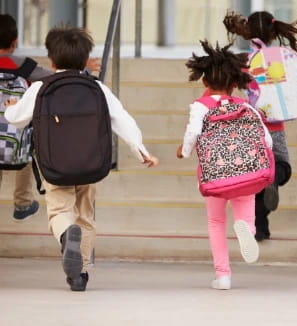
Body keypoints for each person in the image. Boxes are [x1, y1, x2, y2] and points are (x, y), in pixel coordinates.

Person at [4, 26, 158, 291]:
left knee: (60, 211)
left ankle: (66, 234)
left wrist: (9, 110)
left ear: (51, 60)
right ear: (86, 59)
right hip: (89, 163)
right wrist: (140, 149)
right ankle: (81, 273)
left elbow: (18, 120)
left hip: (55, 164)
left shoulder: (41, 86)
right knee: (85, 216)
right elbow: (122, 118)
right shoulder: (97, 87)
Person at [223, 10, 297, 241]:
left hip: (251, 127)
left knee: (255, 179)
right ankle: (275, 176)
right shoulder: (288, 56)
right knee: (282, 166)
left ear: (249, 31)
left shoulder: (244, 61)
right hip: (276, 128)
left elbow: (227, 86)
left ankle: (260, 229)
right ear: (275, 32)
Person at [177, 40, 272, 290]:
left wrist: (184, 152)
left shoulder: (201, 106)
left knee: (216, 222)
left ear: (205, 82)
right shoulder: (246, 106)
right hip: (246, 175)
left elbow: (193, 133)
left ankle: (223, 276)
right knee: (245, 213)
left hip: (215, 175)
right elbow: (267, 141)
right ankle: (248, 231)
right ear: (234, 83)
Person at [0, 13, 99, 222]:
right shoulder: (24, 65)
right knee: (26, 151)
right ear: (15, 41)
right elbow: (57, 76)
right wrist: (84, 70)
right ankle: (23, 202)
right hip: (16, 131)